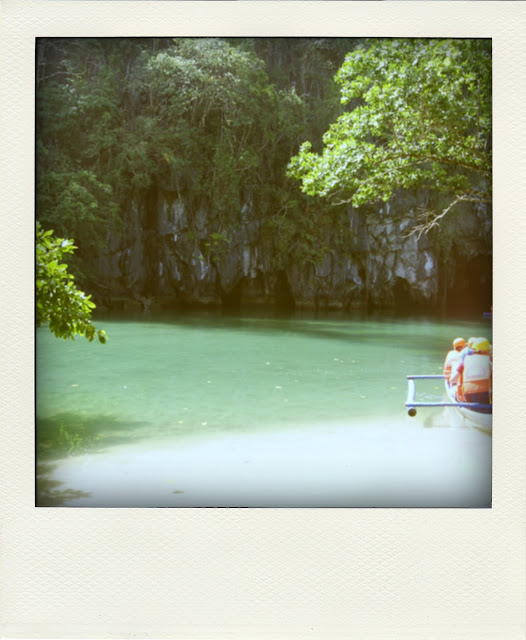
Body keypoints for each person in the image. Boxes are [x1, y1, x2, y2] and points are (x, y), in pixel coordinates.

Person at [453, 337, 492, 411]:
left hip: (467, 396)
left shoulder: (465, 360)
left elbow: (452, 380)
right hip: (486, 396)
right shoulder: (490, 360)